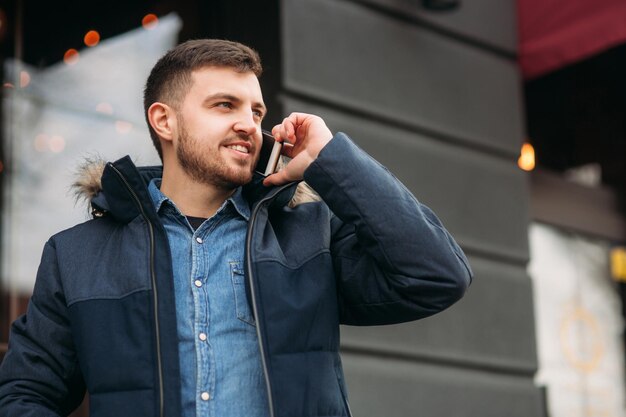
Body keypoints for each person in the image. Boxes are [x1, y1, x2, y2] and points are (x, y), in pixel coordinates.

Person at [0, 39, 472, 417]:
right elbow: (26, 392)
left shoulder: (310, 237)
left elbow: (436, 276)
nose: (249, 124)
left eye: (257, 112)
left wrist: (331, 161)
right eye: (225, 105)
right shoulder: (76, 254)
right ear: (164, 120)